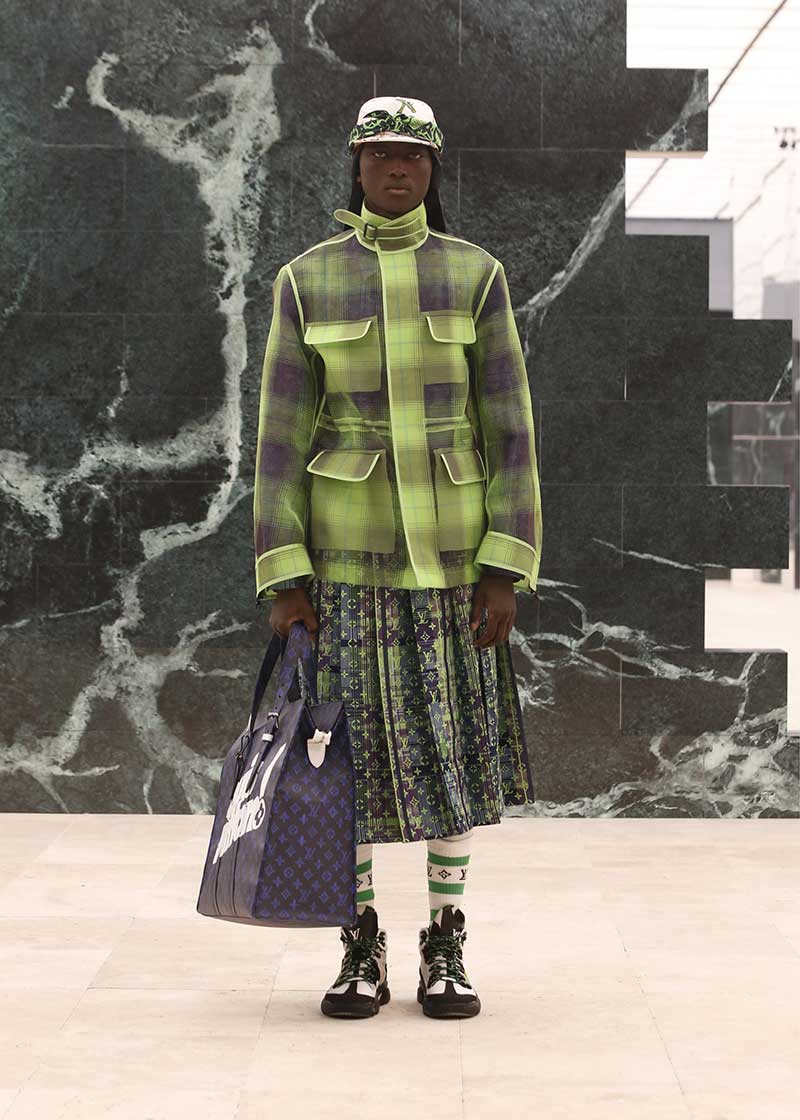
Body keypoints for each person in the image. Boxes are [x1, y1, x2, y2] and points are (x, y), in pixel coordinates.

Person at [253, 95, 542, 1020]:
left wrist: (504, 564)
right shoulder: (305, 280)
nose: (395, 169)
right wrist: (283, 577)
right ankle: (360, 943)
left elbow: (510, 428)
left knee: (451, 760)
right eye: (379, 154)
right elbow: (278, 440)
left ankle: (445, 943)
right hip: (345, 568)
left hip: (455, 568)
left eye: (412, 156)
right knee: (348, 763)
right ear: (356, 164)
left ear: (433, 168)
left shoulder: (476, 275)